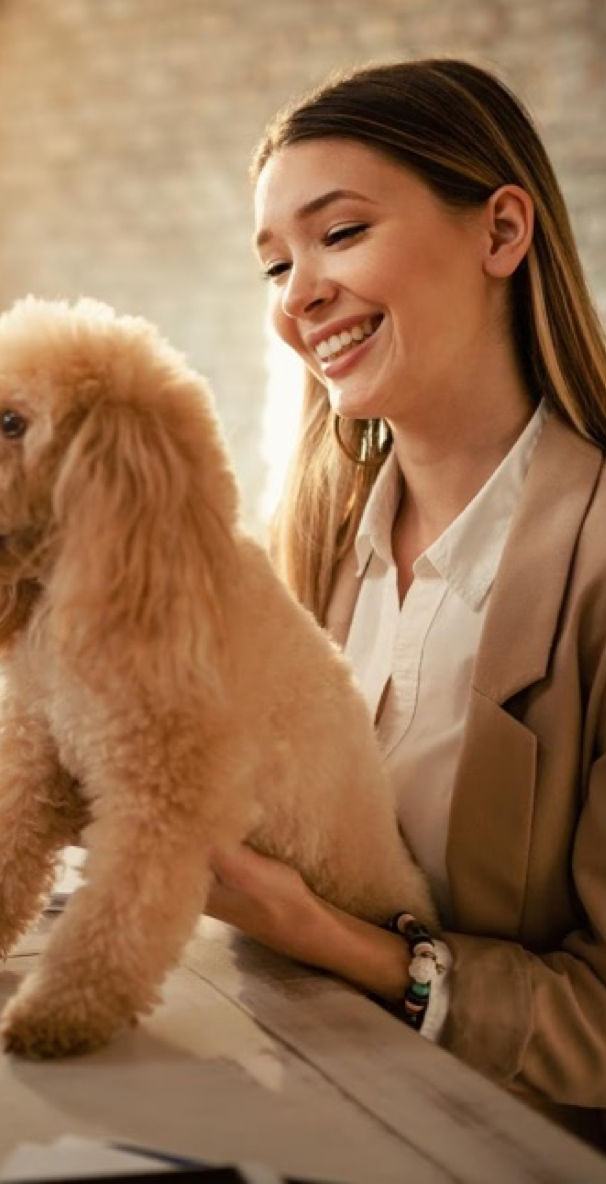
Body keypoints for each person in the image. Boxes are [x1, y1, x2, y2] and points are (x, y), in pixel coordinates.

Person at [211, 58, 606, 1145]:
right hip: (300, 1095)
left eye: (339, 235)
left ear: (501, 232)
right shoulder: (316, 546)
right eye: (275, 264)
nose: (298, 295)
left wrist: (339, 944)